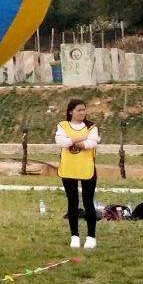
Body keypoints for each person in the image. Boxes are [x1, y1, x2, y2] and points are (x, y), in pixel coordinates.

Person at [57, 99, 99, 250]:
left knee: (88, 202)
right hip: (69, 169)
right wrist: (79, 139)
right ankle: (74, 235)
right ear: (71, 112)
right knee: (72, 203)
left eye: (84, 110)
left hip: (86, 169)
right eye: (79, 110)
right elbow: (61, 142)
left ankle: (91, 236)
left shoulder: (91, 127)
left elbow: (91, 143)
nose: (82, 113)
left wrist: (71, 141)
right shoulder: (62, 125)